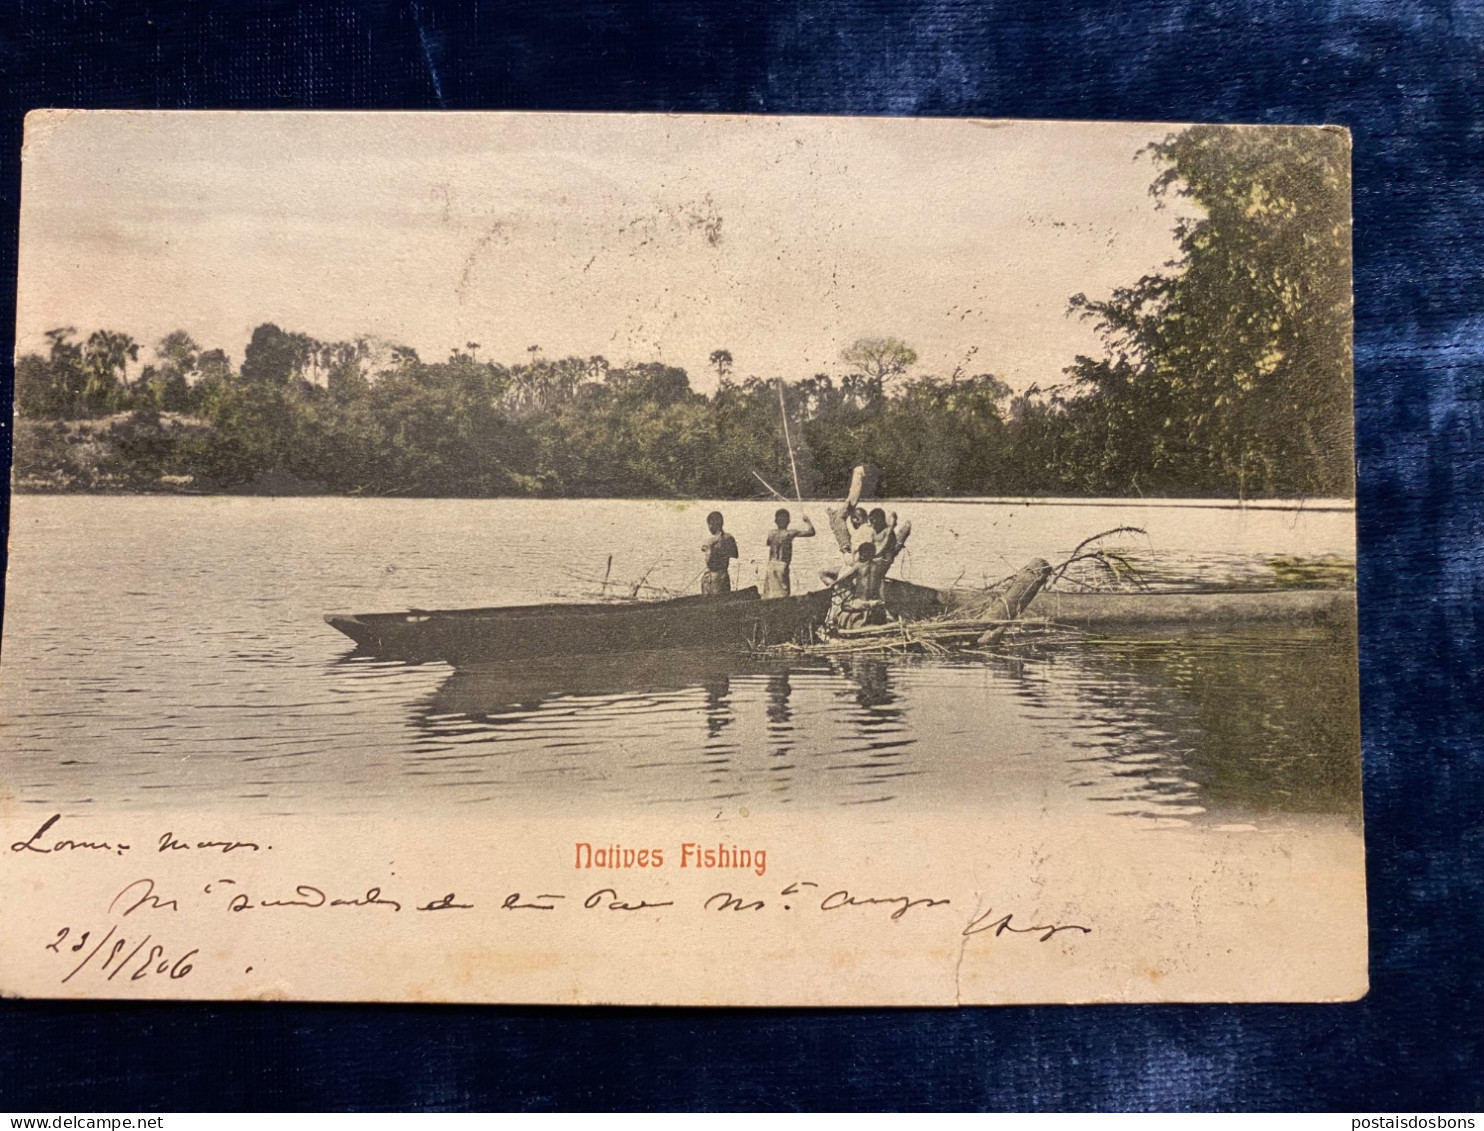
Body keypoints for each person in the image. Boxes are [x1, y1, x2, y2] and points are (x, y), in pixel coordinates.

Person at [763, 509, 815, 599]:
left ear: (775, 521)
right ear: (789, 521)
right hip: (782, 565)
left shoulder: (771, 533)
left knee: (769, 593)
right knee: (784, 594)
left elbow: (768, 543)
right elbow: (811, 532)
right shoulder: (790, 533)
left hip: (771, 564)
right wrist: (808, 521)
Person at [700, 511, 738, 596]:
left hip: (713, 579)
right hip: (724, 576)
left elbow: (709, 562)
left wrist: (708, 549)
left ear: (712, 524)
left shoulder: (710, 541)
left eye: (709, 524)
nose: (709, 527)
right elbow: (735, 555)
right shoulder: (730, 538)